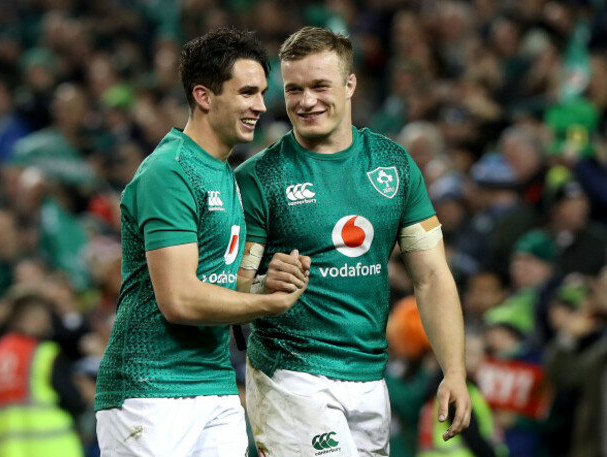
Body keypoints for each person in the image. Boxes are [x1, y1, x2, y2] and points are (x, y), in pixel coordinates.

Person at [236, 26, 471, 457]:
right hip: (292, 377)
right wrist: (263, 284)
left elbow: (432, 277)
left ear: (350, 85)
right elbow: (229, 289)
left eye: (319, 86)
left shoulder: (394, 166)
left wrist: (454, 371)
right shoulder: (257, 179)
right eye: (294, 89)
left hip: (369, 378)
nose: (306, 101)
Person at [94, 28, 309, 457]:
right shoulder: (169, 172)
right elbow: (181, 300)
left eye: (263, 92)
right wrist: (268, 304)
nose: (260, 106)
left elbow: (216, 280)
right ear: (204, 96)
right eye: (247, 92)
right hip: (148, 391)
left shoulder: (222, 171)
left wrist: (267, 282)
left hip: (214, 385)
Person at [0, 291, 85, 457]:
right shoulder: (44, 354)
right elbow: (75, 401)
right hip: (53, 448)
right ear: (26, 320)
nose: (47, 325)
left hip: (8, 451)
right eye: (43, 318)